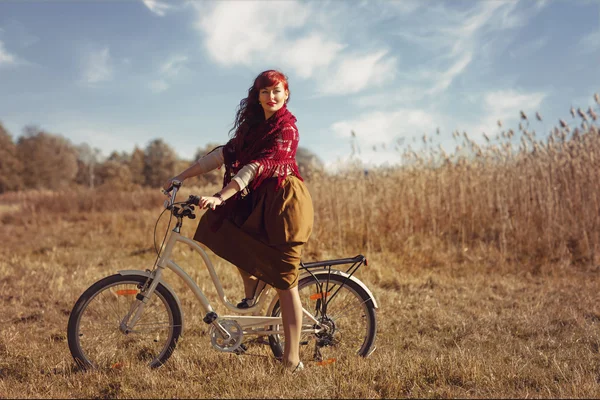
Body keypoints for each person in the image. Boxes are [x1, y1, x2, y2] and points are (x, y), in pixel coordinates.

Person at [163, 70, 313, 373]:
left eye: (277, 91)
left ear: (286, 94)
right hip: (255, 200)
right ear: (256, 96)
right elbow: (222, 155)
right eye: (265, 92)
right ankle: (252, 290)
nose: (271, 97)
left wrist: (222, 194)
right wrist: (180, 176)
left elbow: (257, 167)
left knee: (286, 282)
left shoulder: (287, 129)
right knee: (226, 231)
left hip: (284, 204)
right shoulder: (251, 128)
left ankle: (293, 359)